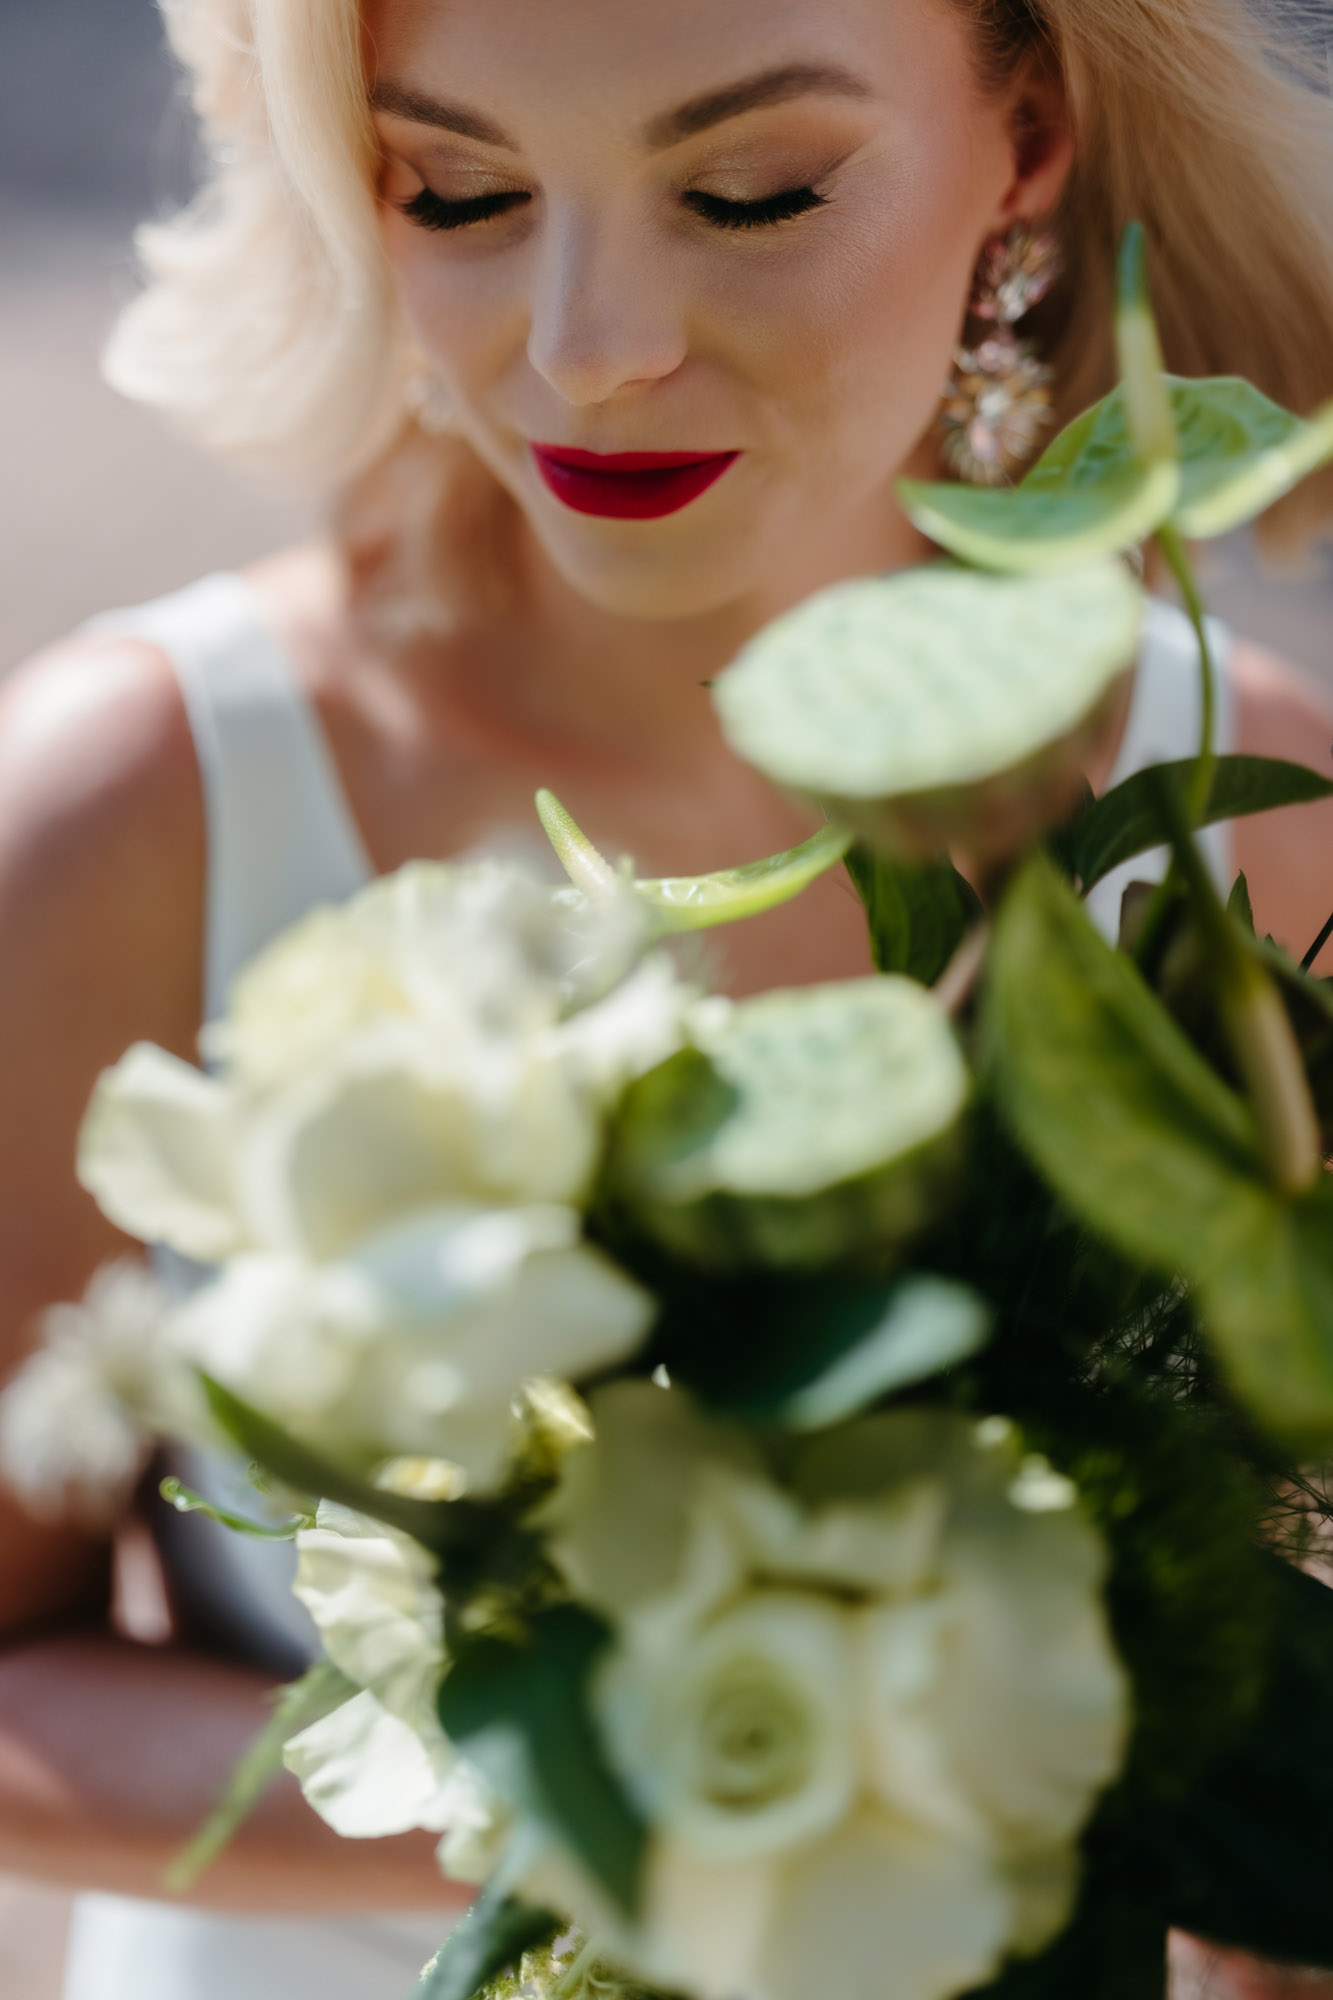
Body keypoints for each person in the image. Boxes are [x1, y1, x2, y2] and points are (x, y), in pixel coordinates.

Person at [0, 1, 1331, 1997]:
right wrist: (607, 1807)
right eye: (457, 192)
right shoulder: (132, 809)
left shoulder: (1256, 831)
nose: (586, 346)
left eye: (750, 191)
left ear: (1029, 138)